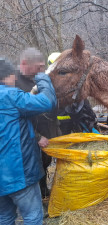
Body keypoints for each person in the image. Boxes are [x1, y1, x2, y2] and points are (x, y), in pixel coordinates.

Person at [0, 58, 57, 224]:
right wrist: (42, 77)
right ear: (7, 76)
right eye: (12, 75)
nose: (15, 78)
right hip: (18, 174)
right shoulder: (10, 95)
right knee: (32, 216)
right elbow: (47, 101)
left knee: (4, 217)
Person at [15, 47, 61, 198]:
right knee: (34, 166)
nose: (42, 70)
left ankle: (44, 189)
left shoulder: (41, 78)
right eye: (39, 67)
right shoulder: (14, 83)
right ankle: (38, 197)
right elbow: (18, 119)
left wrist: (57, 131)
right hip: (30, 136)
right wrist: (37, 137)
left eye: (43, 66)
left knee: (46, 162)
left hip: (48, 130)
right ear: (25, 64)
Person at [47, 52, 100, 135]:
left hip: (75, 120)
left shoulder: (69, 80)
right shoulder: (48, 84)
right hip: (61, 123)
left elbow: (83, 104)